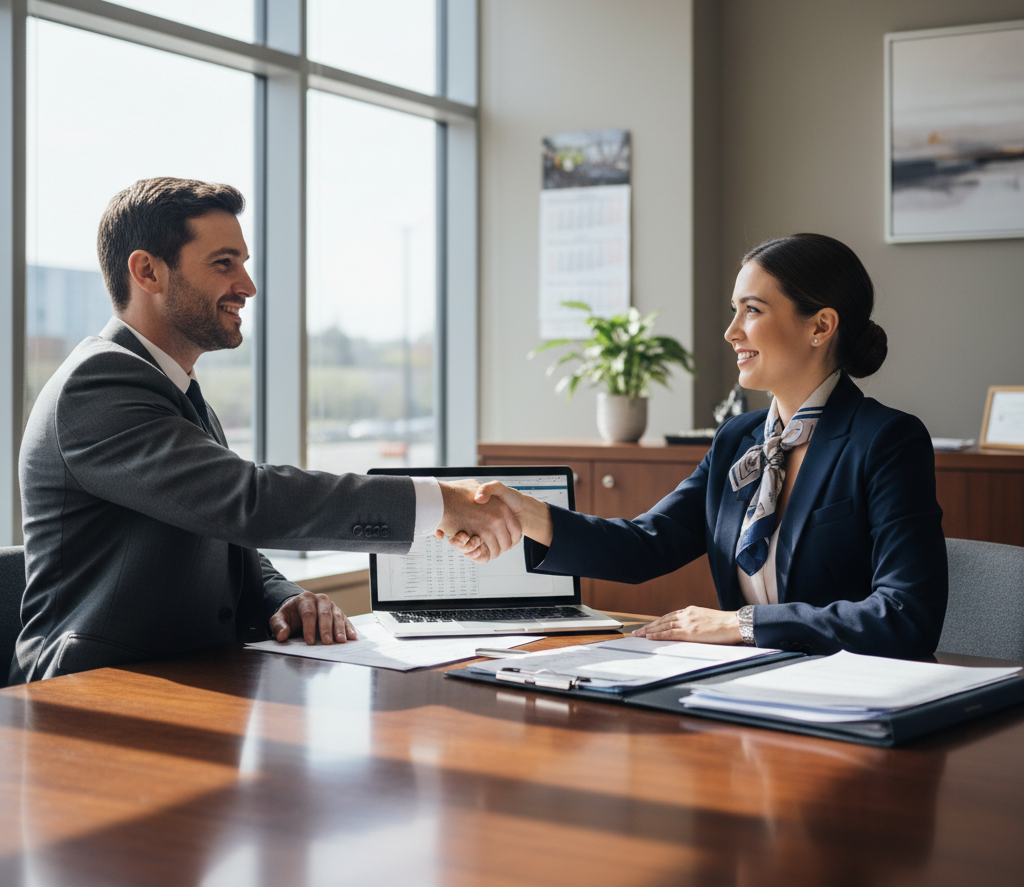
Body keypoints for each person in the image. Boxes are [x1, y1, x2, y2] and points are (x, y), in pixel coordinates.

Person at [12, 177, 520, 683]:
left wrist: (288, 598)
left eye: (244, 264)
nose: (247, 286)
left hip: (185, 682)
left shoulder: (174, 390)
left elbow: (227, 535)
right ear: (148, 271)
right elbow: (246, 501)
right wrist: (438, 502)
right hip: (88, 698)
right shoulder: (98, 385)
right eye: (223, 263)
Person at [456, 233, 947, 658]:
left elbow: (906, 614)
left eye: (752, 311)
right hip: (749, 687)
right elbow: (645, 545)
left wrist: (739, 625)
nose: (731, 332)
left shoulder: (885, 441)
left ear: (820, 326)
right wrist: (526, 514)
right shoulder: (739, 439)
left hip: (850, 694)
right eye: (734, 311)